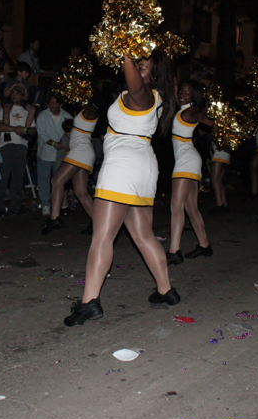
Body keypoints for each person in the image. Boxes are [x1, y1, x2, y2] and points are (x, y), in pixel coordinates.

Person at [64, 50, 179, 327]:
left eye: (143, 68)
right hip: (142, 167)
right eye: (137, 66)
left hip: (123, 168)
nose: (137, 72)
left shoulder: (143, 94)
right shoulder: (158, 98)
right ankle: (165, 290)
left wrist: (125, 47)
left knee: (102, 236)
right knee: (143, 235)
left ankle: (89, 302)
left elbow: (135, 83)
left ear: (153, 74)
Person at [167, 80, 214, 265]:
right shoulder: (182, 109)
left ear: (193, 96)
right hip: (188, 158)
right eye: (181, 92)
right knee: (190, 207)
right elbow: (172, 89)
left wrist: (216, 117)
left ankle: (173, 252)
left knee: (176, 205)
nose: (182, 95)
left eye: (186, 93)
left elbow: (208, 121)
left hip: (187, 160)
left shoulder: (192, 110)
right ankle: (205, 246)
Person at [42, 102, 99, 235]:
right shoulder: (82, 116)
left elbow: (93, 110)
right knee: (81, 192)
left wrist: (86, 102)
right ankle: (98, 221)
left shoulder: (90, 112)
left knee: (57, 181)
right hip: (82, 152)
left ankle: (54, 218)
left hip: (80, 152)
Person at [0, 85, 35, 214]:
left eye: (17, 94)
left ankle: (15, 206)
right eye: (12, 93)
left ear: (22, 96)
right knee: (4, 176)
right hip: (6, 145)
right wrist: (14, 129)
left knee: (18, 178)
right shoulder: (5, 109)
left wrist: (23, 130)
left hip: (21, 146)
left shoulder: (27, 111)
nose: (14, 96)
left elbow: (33, 130)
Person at [36, 93, 72, 216]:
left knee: (58, 180)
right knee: (44, 179)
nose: (52, 106)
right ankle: (46, 204)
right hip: (46, 152)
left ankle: (60, 204)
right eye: (50, 103)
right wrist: (53, 144)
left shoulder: (67, 116)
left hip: (60, 155)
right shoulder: (42, 116)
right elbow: (42, 133)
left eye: (54, 103)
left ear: (60, 104)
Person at [208, 143, 231, 213]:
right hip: (225, 152)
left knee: (214, 179)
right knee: (219, 180)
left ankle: (219, 204)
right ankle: (224, 203)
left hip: (220, 153)